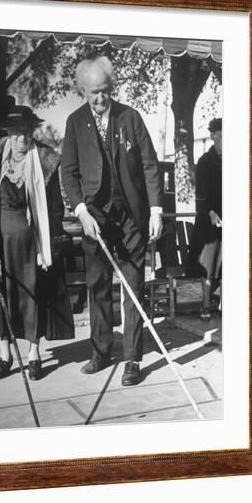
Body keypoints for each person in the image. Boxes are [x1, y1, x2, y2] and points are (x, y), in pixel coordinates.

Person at [61, 56, 163, 386]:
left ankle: (132, 358)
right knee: (99, 286)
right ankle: (101, 351)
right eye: (94, 93)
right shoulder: (75, 123)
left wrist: (156, 211)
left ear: (111, 88)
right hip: (95, 217)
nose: (100, 98)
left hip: (132, 217)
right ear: (83, 91)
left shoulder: (130, 117)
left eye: (105, 91)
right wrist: (80, 211)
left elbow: (149, 165)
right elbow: (69, 172)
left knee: (133, 288)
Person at [0, 105, 74, 381]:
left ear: (32, 133)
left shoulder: (46, 161)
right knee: (4, 298)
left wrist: (51, 242)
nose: (21, 139)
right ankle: (4, 355)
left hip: (33, 246)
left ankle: (34, 355)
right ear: (8, 134)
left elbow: (56, 208)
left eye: (26, 133)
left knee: (32, 297)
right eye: (16, 133)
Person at [186, 117, 222, 303]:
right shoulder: (205, 161)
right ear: (214, 137)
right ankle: (206, 305)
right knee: (209, 265)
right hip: (209, 220)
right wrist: (211, 212)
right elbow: (201, 194)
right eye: (222, 137)